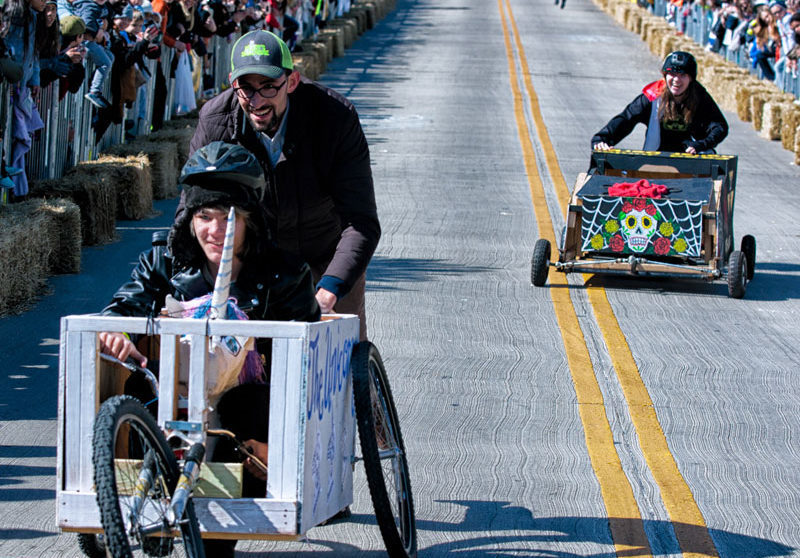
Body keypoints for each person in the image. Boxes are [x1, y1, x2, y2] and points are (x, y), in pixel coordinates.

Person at [189, 30, 380, 341]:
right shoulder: (216, 122)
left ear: (291, 82)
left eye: (268, 87)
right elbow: (192, 209)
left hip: (325, 255)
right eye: (246, 89)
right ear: (231, 83)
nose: (256, 101)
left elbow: (361, 222)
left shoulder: (335, 118)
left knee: (338, 362)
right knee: (251, 368)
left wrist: (331, 287)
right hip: (255, 261)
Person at [591, 51, 729, 155]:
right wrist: (603, 139)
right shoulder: (652, 96)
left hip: (691, 158)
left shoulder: (700, 96)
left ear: (691, 78)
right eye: (672, 74)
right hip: (656, 157)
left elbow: (720, 126)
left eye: (683, 75)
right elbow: (626, 118)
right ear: (664, 75)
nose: (676, 80)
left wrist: (702, 144)